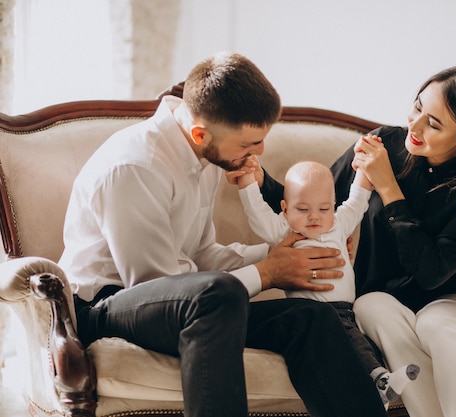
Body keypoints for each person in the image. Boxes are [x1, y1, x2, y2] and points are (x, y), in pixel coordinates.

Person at [58, 52, 389, 417]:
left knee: (312, 318)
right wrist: (267, 273)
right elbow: (157, 284)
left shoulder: (207, 154)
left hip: (196, 302)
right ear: (201, 134)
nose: (258, 154)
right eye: (248, 145)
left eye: (261, 141)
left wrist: (282, 251)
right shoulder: (135, 167)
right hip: (107, 306)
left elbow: (200, 255)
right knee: (220, 292)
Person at [257, 64, 456, 417]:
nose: (414, 126)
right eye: (418, 108)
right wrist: (258, 179)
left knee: (436, 325)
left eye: (433, 123)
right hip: (382, 301)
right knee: (371, 305)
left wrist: (388, 188)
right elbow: (310, 203)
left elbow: (431, 273)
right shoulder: (383, 143)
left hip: (453, 302)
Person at [234, 159, 419, 409]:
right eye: (302, 209)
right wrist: (247, 183)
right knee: (350, 342)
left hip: (347, 309)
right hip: (317, 313)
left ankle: (378, 384)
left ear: (333, 206)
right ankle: (379, 379)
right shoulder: (285, 230)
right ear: (285, 208)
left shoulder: (338, 224)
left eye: (323, 209)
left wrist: (365, 172)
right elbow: (258, 215)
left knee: (364, 342)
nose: (314, 217)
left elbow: (356, 202)